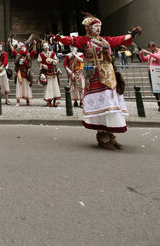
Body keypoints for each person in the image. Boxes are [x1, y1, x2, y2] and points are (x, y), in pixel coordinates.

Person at [56, 13, 141, 150]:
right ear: (89, 28)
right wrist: (59, 37)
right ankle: (103, 137)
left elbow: (118, 40)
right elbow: (72, 41)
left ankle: (110, 136)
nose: (98, 29)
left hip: (109, 75)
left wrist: (132, 34)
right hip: (95, 76)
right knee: (100, 105)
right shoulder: (85, 40)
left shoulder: (105, 40)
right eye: (95, 26)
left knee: (110, 104)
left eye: (99, 26)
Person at [37, 41, 60, 107]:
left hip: (53, 72)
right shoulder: (41, 54)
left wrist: (52, 61)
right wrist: (42, 65)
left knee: (54, 86)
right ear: (43, 47)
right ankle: (49, 101)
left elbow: (56, 60)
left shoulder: (53, 53)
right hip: (46, 73)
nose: (46, 47)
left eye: (47, 45)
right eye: (44, 46)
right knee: (48, 87)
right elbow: (39, 62)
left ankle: (55, 101)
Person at [140, 42, 160, 111]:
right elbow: (144, 59)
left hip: (158, 72)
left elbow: (158, 57)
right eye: (150, 49)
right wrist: (141, 54)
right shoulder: (151, 54)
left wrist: (149, 53)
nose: (151, 50)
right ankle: (159, 104)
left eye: (152, 48)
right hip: (151, 72)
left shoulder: (158, 52)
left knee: (159, 89)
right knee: (154, 90)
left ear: (155, 47)